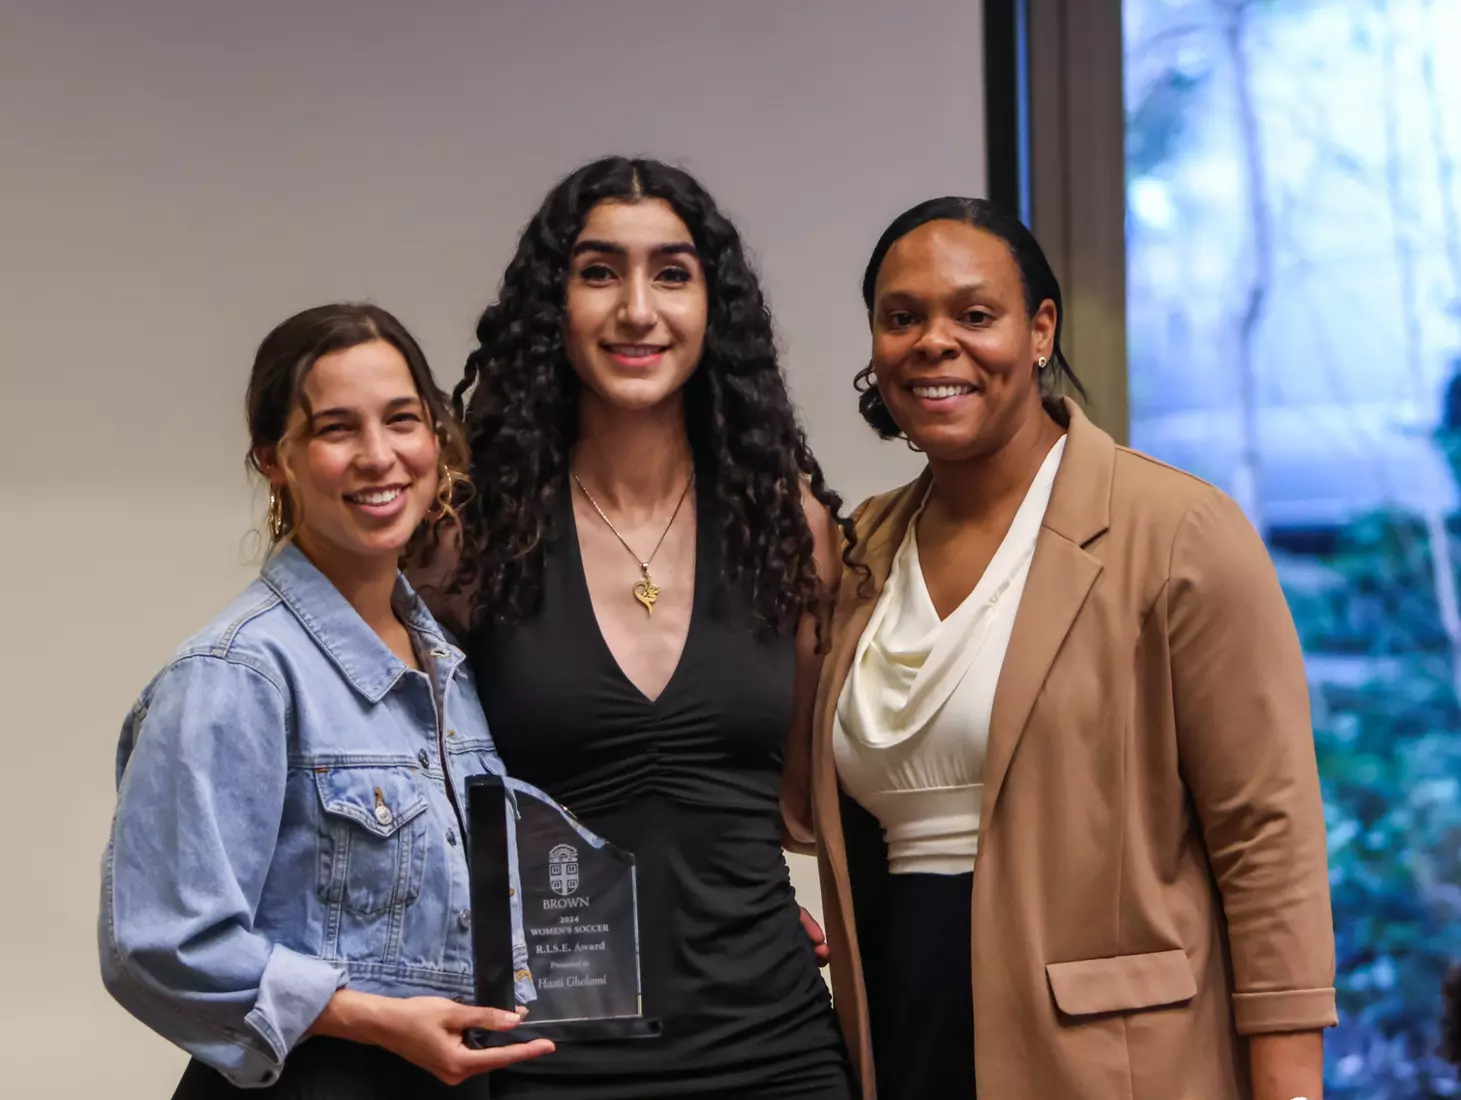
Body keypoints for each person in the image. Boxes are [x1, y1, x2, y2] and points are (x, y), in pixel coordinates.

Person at [795, 198, 1337, 1100]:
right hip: (901, 1034)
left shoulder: (1173, 530)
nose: (934, 342)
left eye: (974, 314)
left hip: (1109, 1064)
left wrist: (1288, 1089)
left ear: (1039, 329)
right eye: (902, 318)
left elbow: (1267, 838)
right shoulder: (861, 553)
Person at [426, 156, 855, 1099]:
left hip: (772, 1043)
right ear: (554, 305)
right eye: (597, 272)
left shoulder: (790, 527)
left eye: (670, 272)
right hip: (551, 1057)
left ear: (714, 307)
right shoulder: (469, 535)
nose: (635, 310)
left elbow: (798, 797)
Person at [99, 304, 554, 1097]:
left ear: (437, 440)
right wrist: (372, 1017)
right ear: (275, 461)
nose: (379, 457)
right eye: (337, 429)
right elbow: (161, 944)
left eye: (401, 420)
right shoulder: (236, 673)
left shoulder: (447, 665)